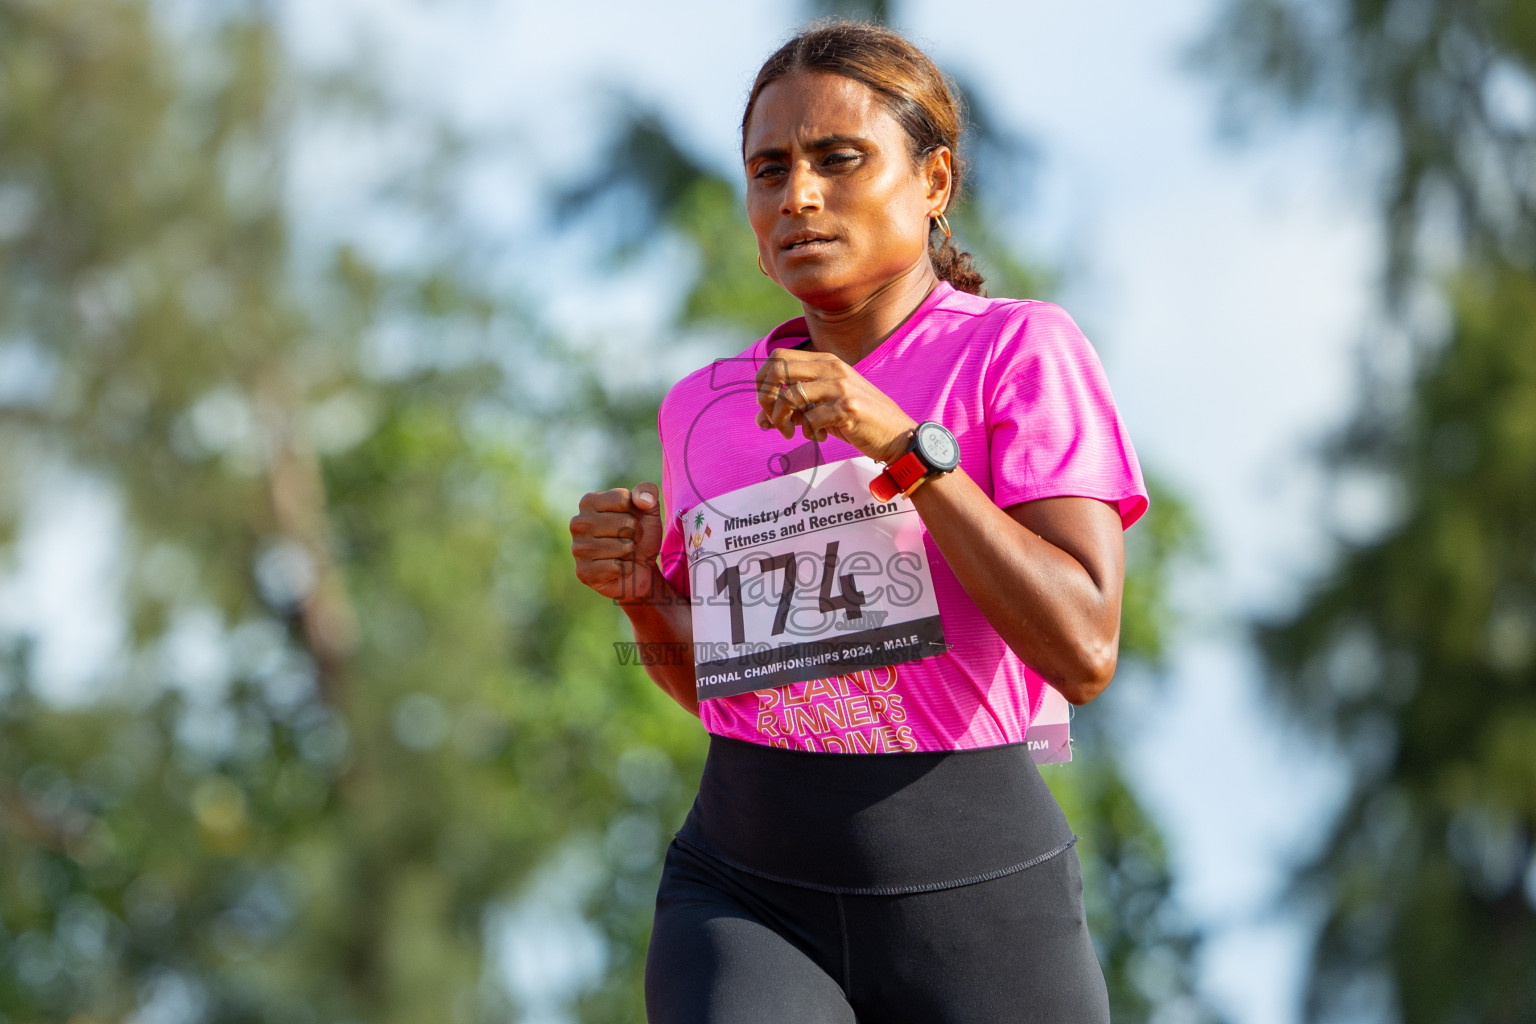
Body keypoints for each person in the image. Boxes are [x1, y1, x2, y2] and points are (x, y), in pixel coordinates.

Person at [569, 20, 1148, 1024]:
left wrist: (906, 447)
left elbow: (1085, 648)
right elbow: (723, 685)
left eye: (840, 161)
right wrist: (644, 598)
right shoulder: (705, 407)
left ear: (934, 183)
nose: (797, 196)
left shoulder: (1020, 351)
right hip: (743, 893)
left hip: (977, 901)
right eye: (769, 170)